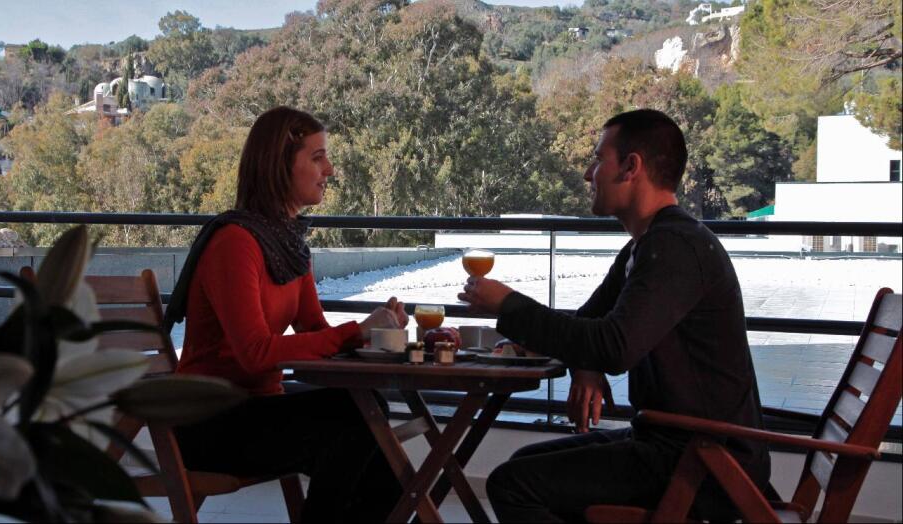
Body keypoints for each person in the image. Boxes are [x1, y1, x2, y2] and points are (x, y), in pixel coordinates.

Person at [458, 109, 770, 522]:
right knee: (524, 465)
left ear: (630, 167)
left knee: (513, 484)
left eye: (598, 159)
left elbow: (614, 347)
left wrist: (508, 305)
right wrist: (585, 365)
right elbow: (590, 323)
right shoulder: (648, 245)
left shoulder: (675, 248)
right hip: (677, 445)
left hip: (706, 463)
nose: (589, 174)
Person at [164, 106, 405, 523]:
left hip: (258, 409)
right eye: (317, 157)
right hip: (209, 422)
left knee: (372, 432)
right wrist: (355, 331)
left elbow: (314, 329)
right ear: (280, 164)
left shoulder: (289, 243)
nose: (329, 169)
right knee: (354, 421)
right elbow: (255, 353)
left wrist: (371, 330)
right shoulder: (235, 242)